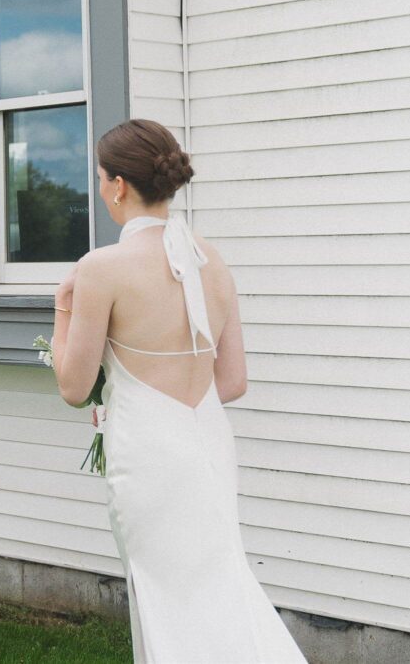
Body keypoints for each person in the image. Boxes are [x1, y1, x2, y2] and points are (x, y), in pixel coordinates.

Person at [51, 120, 305, 662]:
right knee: (219, 583)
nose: (100, 190)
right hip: (208, 443)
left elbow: (74, 387)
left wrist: (62, 305)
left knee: (162, 593)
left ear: (118, 185)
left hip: (149, 453)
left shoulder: (101, 267)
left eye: (100, 179)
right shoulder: (211, 261)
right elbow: (232, 382)